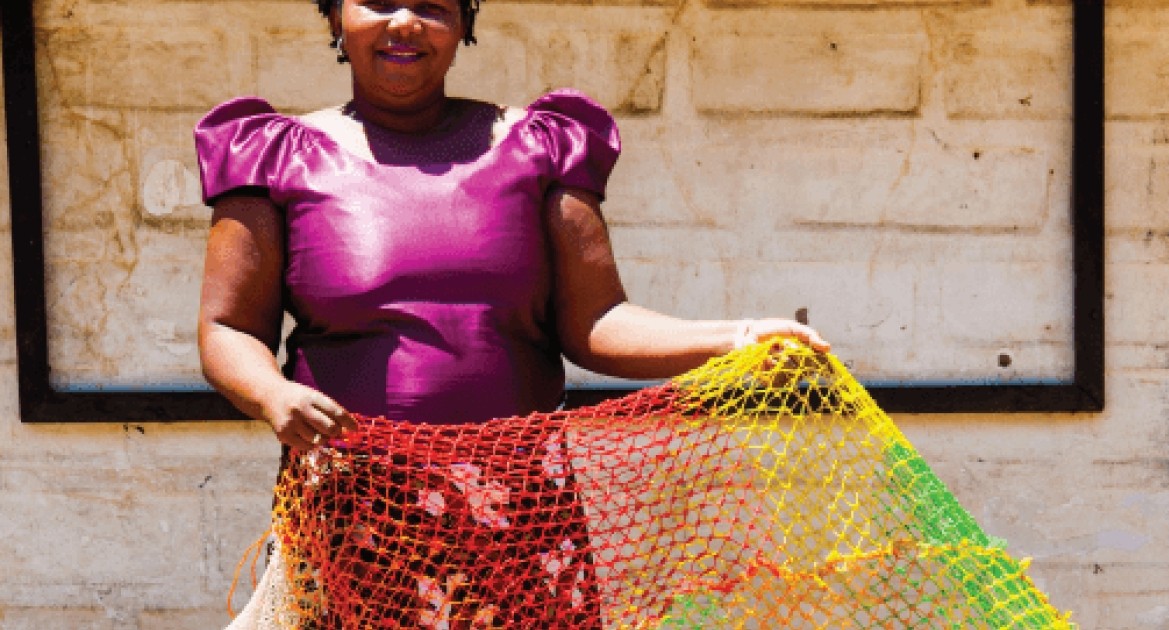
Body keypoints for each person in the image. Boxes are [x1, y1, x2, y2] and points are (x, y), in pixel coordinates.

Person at [197, 0, 828, 626]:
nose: (405, 22)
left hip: (515, 516)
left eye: (432, 6)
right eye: (379, 2)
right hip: (354, 517)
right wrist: (272, 394)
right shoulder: (272, 155)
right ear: (336, 17)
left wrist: (738, 338)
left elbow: (597, 321)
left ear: (465, 23)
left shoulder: (541, 146)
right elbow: (228, 327)